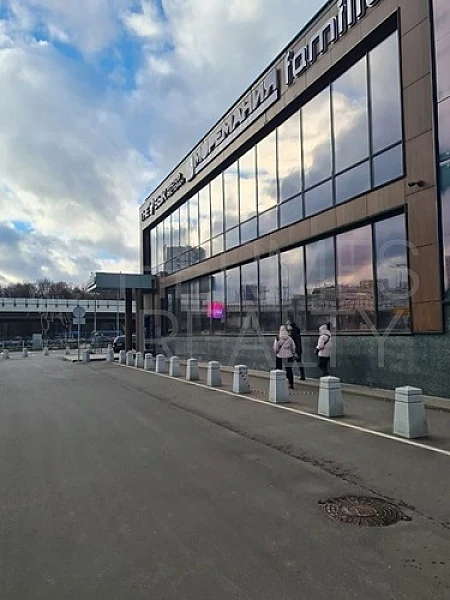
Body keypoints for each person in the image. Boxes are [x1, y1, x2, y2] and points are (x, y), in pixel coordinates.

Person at [273, 325, 296, 389]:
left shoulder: (278, 338)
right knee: (289, 369)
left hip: (279, 355)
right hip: (289, 355)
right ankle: (291, 383)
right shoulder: (289, 338)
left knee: (278, 369)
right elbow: (293, 347)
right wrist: (293, 352)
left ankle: (278, 382)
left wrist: (276, 352)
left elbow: (276, 347)